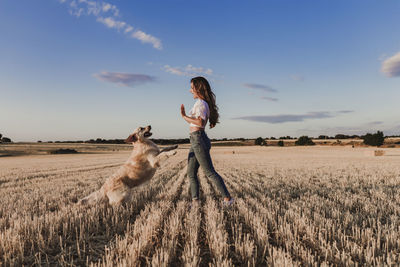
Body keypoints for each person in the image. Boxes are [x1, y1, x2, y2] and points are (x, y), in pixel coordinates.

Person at [180, 76, 234, 205]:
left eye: (192, 88)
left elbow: (199, 122)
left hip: (198, 139)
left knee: (209, 172)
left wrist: (184, 116)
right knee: (191, 172)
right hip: (195, 139)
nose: (190, 91)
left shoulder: (201, 104)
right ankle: (195, 201)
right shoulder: (200, 103)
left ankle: (228, 199)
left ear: (198, 88)